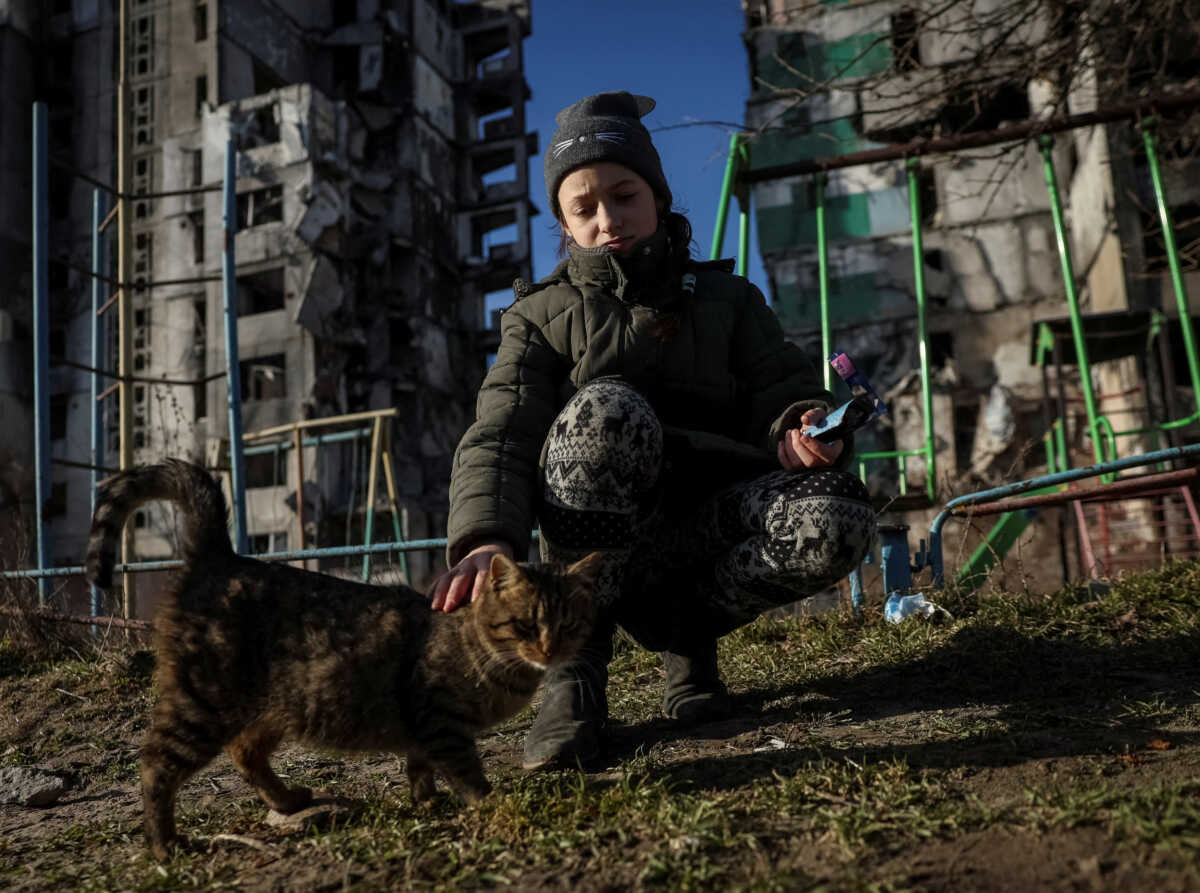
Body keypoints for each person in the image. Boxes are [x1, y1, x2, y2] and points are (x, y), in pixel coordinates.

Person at [429, 91, 875, 770]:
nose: (608, 219)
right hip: (594, 558)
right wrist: (486, 535)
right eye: (584, 207)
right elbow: (502, 429)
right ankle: (572, 682)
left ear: (658, 197)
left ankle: (688, 643)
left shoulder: (730, 300)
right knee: (605, 408)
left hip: (706, 530)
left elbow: (781, 387)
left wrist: (801, 425)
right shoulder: (539, 317)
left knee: (839, 515)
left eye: (624, 194)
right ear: (565, 223)